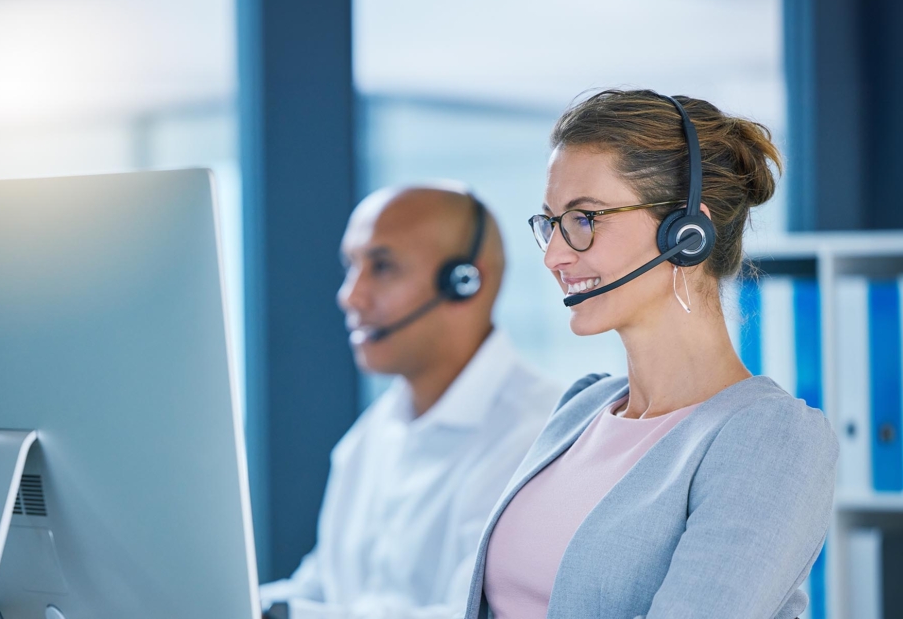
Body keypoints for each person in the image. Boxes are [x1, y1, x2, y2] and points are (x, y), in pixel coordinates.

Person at [462, 90, 838, 619]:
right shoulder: (582, 407)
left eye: (585, 219)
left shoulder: (770, 437)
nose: (553, 254)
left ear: (687, 235)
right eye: (550, 222)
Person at [260, 184, 563, 619]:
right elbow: (321, 589)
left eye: (382, 267)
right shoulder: (371, 435)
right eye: (351, 266)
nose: (350, 295)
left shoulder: (537, 437)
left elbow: (478, 613)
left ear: (465, 282)